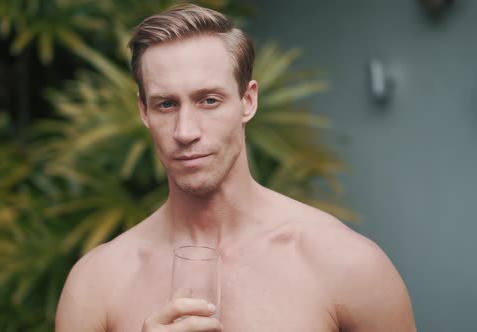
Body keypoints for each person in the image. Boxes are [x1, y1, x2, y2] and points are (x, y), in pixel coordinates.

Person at [55, 4, 416, 331]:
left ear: (248, 101)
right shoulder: (97, 283)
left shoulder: (347, 265)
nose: (185, 131)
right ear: (144, 112)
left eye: (209, 100)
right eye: (166, 104)